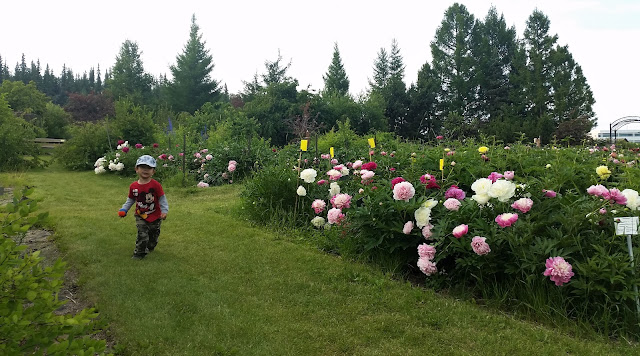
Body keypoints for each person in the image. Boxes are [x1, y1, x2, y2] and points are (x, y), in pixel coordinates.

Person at [118, 155, 169, 259]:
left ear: (153, 171)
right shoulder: (133, 186)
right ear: (136, 169)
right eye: (142, 167)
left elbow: (162, 198)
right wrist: (124, 209)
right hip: (140, 214)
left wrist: (164, 211)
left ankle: (150, 246)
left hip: (155, 215)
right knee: (142, 233)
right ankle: (139, 253)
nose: (145, 170)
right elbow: (131, 199)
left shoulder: (155, 185)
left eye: (149, 168)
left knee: (153, 234)